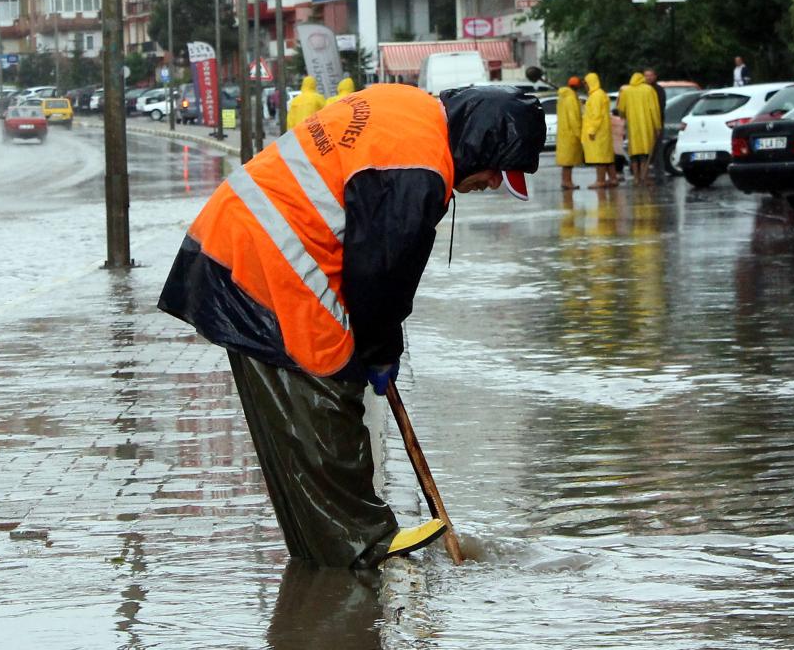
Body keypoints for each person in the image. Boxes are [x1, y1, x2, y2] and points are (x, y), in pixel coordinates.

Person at [158, 84, 545, 569]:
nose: (491, 183)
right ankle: (360, 546)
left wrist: (380, 344)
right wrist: (381, 352)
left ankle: (322, 552)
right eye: (496, 172)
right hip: (268, 257)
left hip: (239, 238)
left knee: (304, 411)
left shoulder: (410, 110)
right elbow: (380, 274)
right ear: (483, 144)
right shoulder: (417, 166)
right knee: (330, 386)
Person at [618, 72, 662, 185]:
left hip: (632, 126)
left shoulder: (626, 91)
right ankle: (644, 177)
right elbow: (654, 109)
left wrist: (624, 116)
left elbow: (621, 109)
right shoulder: (649, 90)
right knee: (645, 153)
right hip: (646, 126)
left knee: (634, 153)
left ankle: (636, 178)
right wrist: (657, 126)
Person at [581, 73, 615, 188]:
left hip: (598, 132)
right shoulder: (599, 94)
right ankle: (613, 179)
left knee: (599, 158)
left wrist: (592, 130)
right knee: (607, 157)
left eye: (585, 83)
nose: (585, 85)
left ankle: (600, 181)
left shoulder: (596, 96)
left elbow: (596, 115)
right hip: (602, 131)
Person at [555, 76, 584, 190]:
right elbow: (574, 118)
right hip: (571, 133)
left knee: (566, 160)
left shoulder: (563, 97)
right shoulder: (571, 98)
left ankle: (566, 181)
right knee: (568, 161)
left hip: (564, 132)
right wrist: (579, 134)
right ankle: (567, 182)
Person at [643, 68, 666, 176]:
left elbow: (660, 107)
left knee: (657, 149)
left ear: (655, 76)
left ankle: (659, 173)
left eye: (650, 75)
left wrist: (656, 124)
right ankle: (645, 173)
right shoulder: (642, 90)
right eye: (646, 75)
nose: (648, 78)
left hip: (657, 124)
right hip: (644, 124)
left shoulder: (659, 90)